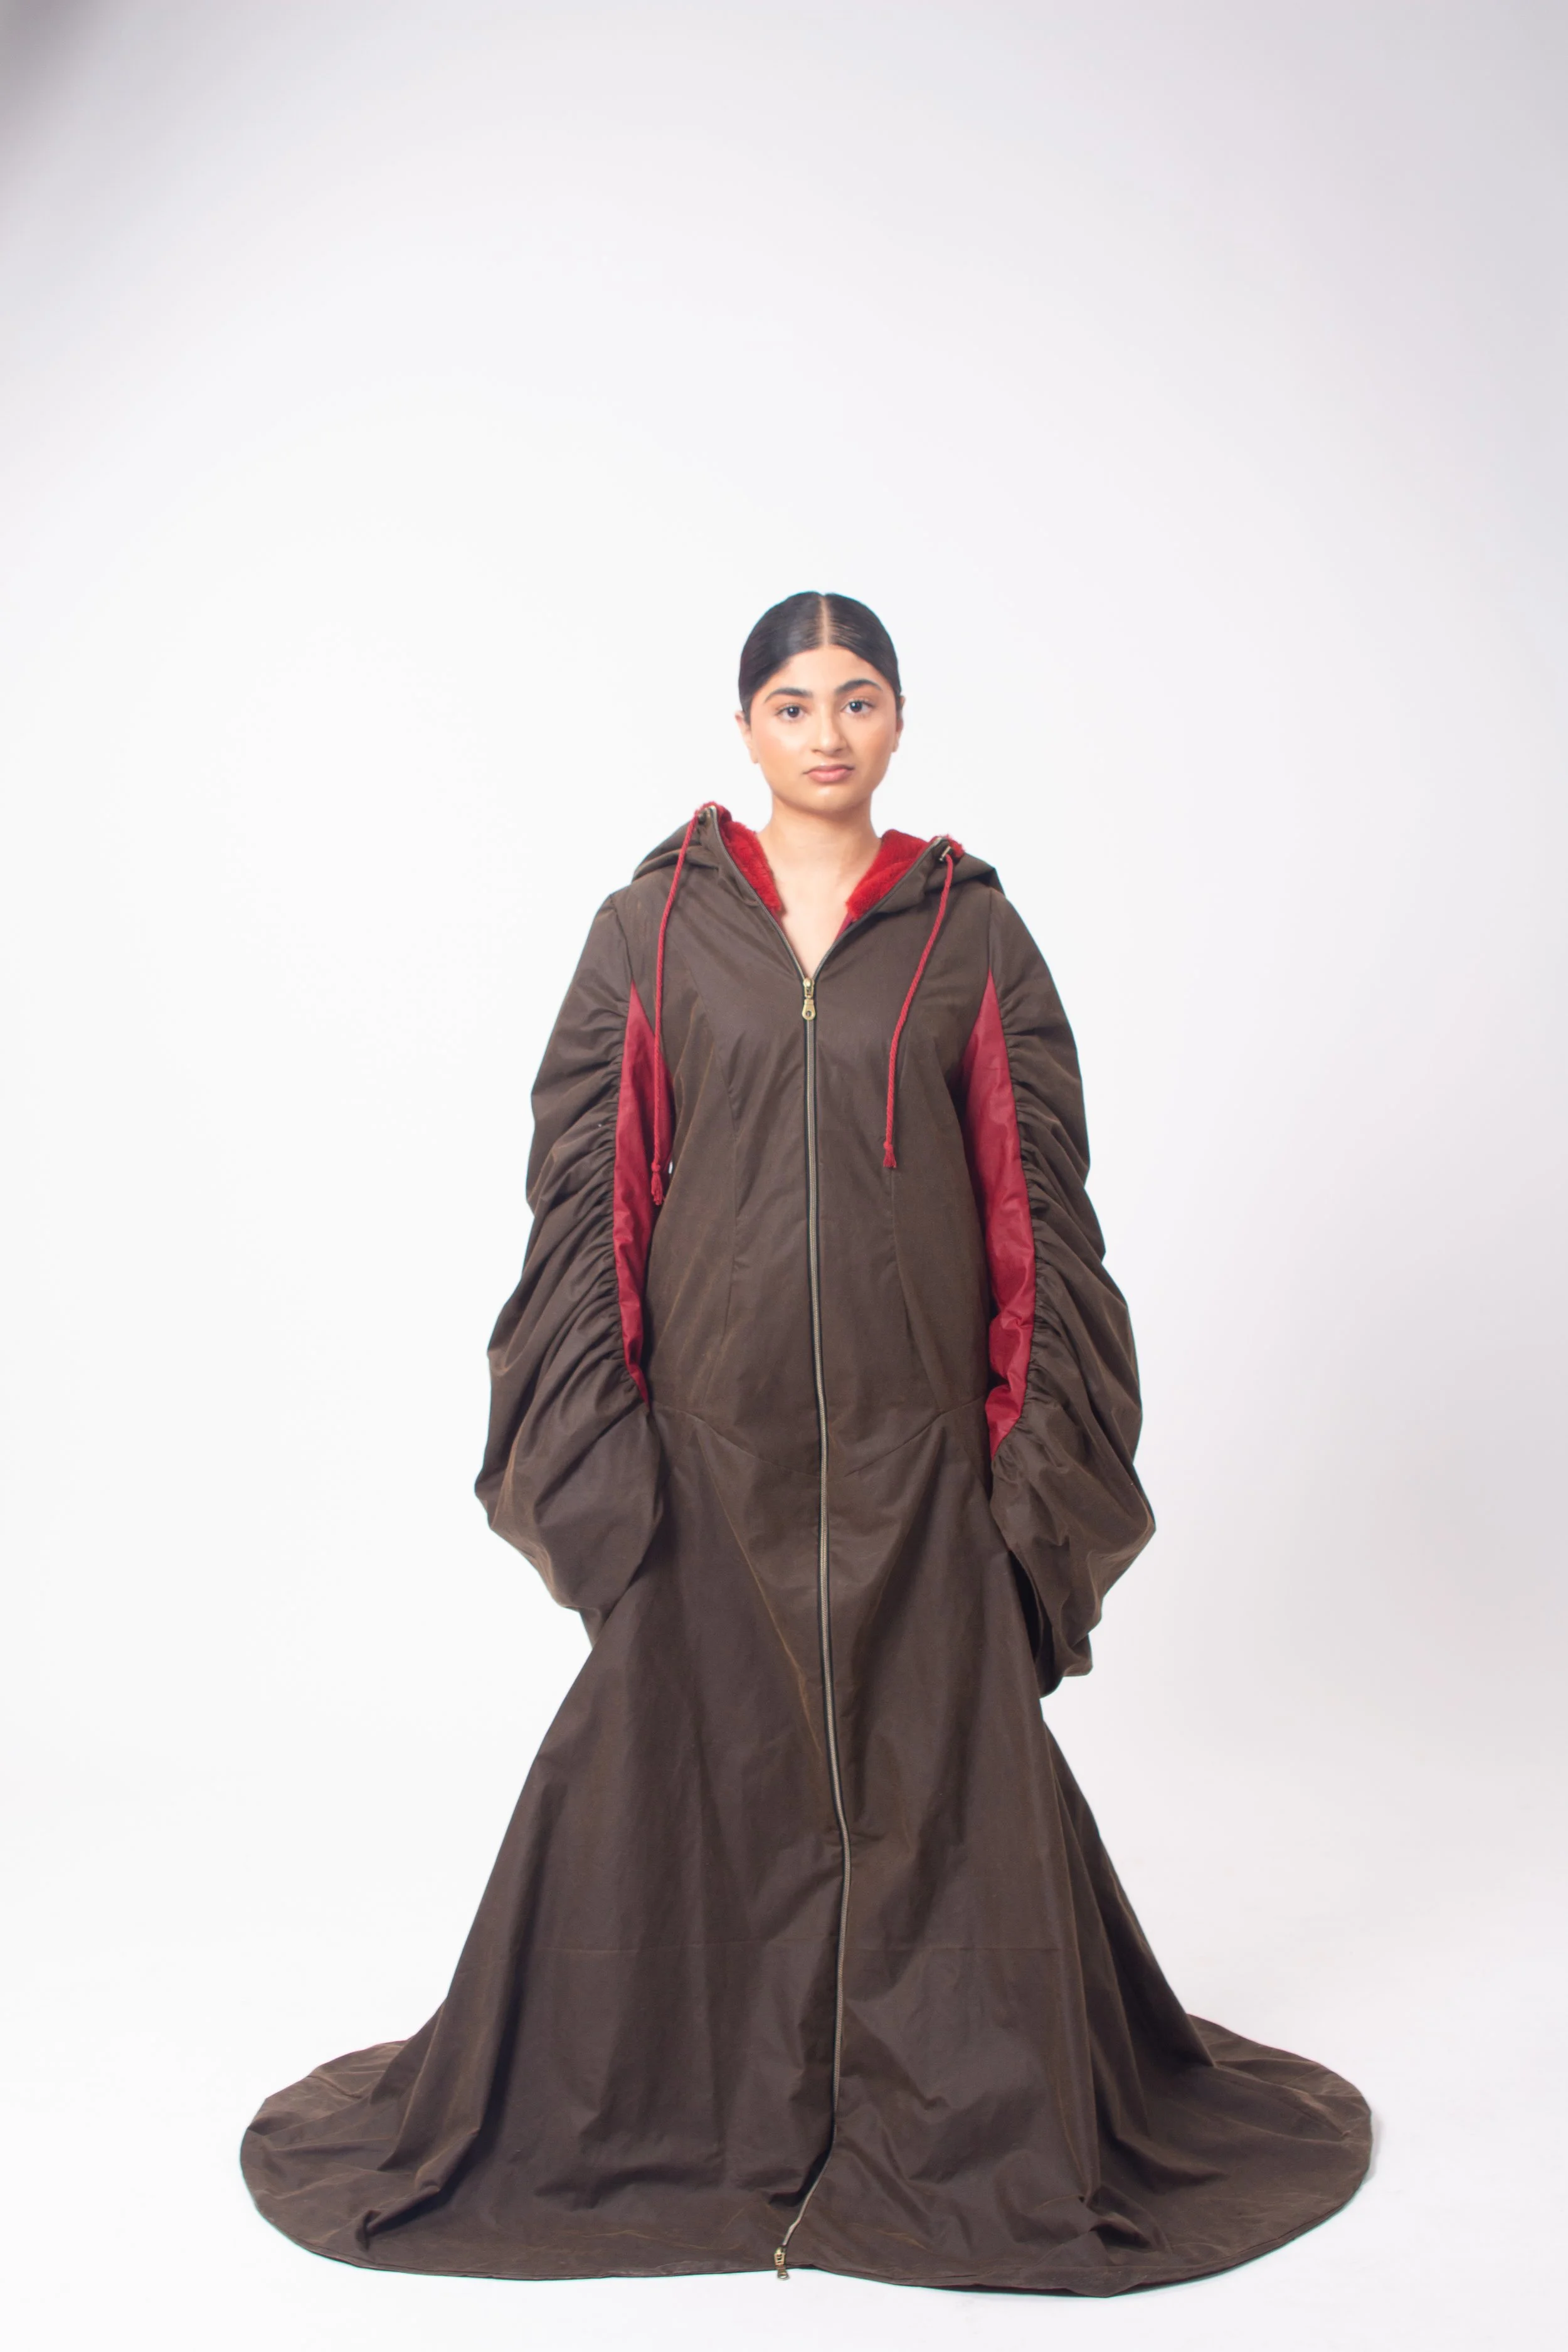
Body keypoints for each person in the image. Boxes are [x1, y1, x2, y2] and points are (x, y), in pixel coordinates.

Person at [241, 591, 1370, 2292]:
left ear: (898, 722)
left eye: (857, 699)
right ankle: (684, 2118)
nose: (826, 731)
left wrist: (1024, 1459)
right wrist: (607, 1445)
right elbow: (587, 1201)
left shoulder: (970, 934)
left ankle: (950, 2128)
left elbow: (1035, 1208)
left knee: (942, 1785)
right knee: (673, 1779)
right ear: (746, 728)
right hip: (710, 1445)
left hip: (923, 1456)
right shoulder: (650, 928)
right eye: (791, 701)